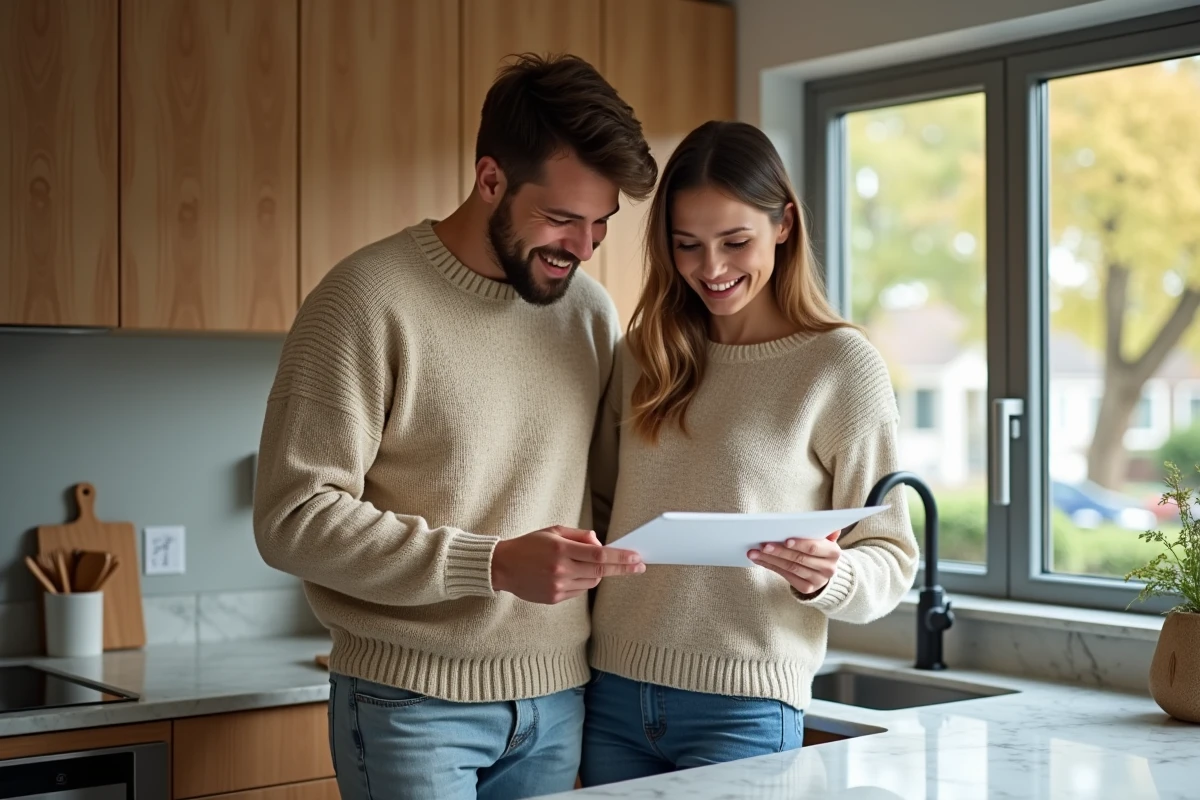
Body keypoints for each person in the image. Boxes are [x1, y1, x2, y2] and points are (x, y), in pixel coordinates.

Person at [253, 53, 655, 800]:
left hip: (558, 697)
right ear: (491, 178)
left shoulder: (589, 315)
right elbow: (292, 518)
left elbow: (608, 495)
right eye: (563, 218)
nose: (583, 247)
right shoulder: (366, 299)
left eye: (601, 224)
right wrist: (493, 563)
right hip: (409, 704)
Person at [579, 120, 920, 785]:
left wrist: (831, 575)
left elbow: (892, 553)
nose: (712, 269)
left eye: (736, 242)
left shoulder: (839, 366)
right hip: (611, 690)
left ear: (784, 224)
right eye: (687, 246)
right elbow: (599, 504)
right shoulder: (646, 353)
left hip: (744, 705)